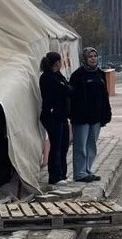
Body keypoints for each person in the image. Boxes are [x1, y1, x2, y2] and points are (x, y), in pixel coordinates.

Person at [68, 47, 112, 183]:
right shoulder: (78, 75)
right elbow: (72, 96)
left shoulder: (99, 73)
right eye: (90, 57)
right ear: (85, 59)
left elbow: (104, 94)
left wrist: (106, 113)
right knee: (80, 145)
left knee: (91, 144)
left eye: (95, 56)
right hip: (81, 117)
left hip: (96, 116)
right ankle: (79, 172)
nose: (93, 59)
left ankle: (87, 169)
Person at [38, 52, 72, 186]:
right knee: (56, 145)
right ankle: (54, 176)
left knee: (64, 145)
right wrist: (66, 88)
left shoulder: (58, 75)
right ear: (56, 62)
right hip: (52, 115)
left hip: (62, 115)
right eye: (60, 61)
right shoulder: (47, 77)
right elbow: (65, 90)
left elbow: (68, 88)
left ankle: (63, 173)